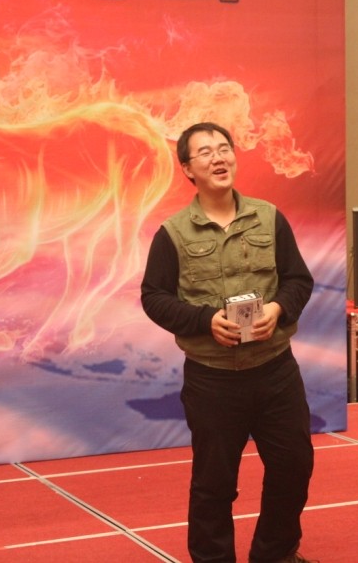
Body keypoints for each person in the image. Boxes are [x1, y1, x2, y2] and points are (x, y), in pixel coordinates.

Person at [140, 122, 316, 563]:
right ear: (188, 169)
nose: (218, 157)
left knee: (294, 468)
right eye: (205, 152)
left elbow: (298, 280)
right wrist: (205, 321)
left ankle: (275, 554)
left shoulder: (269, 217)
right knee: (214, 484)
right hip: (213, 380)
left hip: (276, 371)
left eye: (224, 148)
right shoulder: (173, 233)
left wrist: (278, 309)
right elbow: (154, 297)